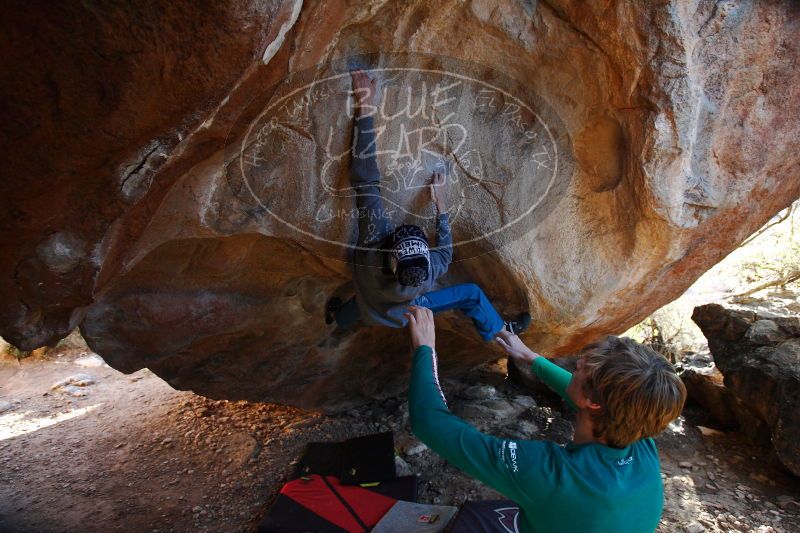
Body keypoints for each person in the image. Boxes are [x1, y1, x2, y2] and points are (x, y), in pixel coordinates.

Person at [404, 305, 687, 533]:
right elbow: (587, 397)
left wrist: (425, 349)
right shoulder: (641, 438)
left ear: (593, 402)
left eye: (582, 369)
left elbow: (430, 423)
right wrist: (533, 360)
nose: (576, 365)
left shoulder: (554, 474)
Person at [325, 69, 530, 340]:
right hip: (408, 311)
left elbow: (364, 179)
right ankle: (502, 331)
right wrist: (441, 205)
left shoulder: (373, 247)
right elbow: (443, 253)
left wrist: (365, 108)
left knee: (360, 305)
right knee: (470, 295)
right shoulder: (430, 271)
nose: (410, 230)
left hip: (370, 304)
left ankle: (338, 317)